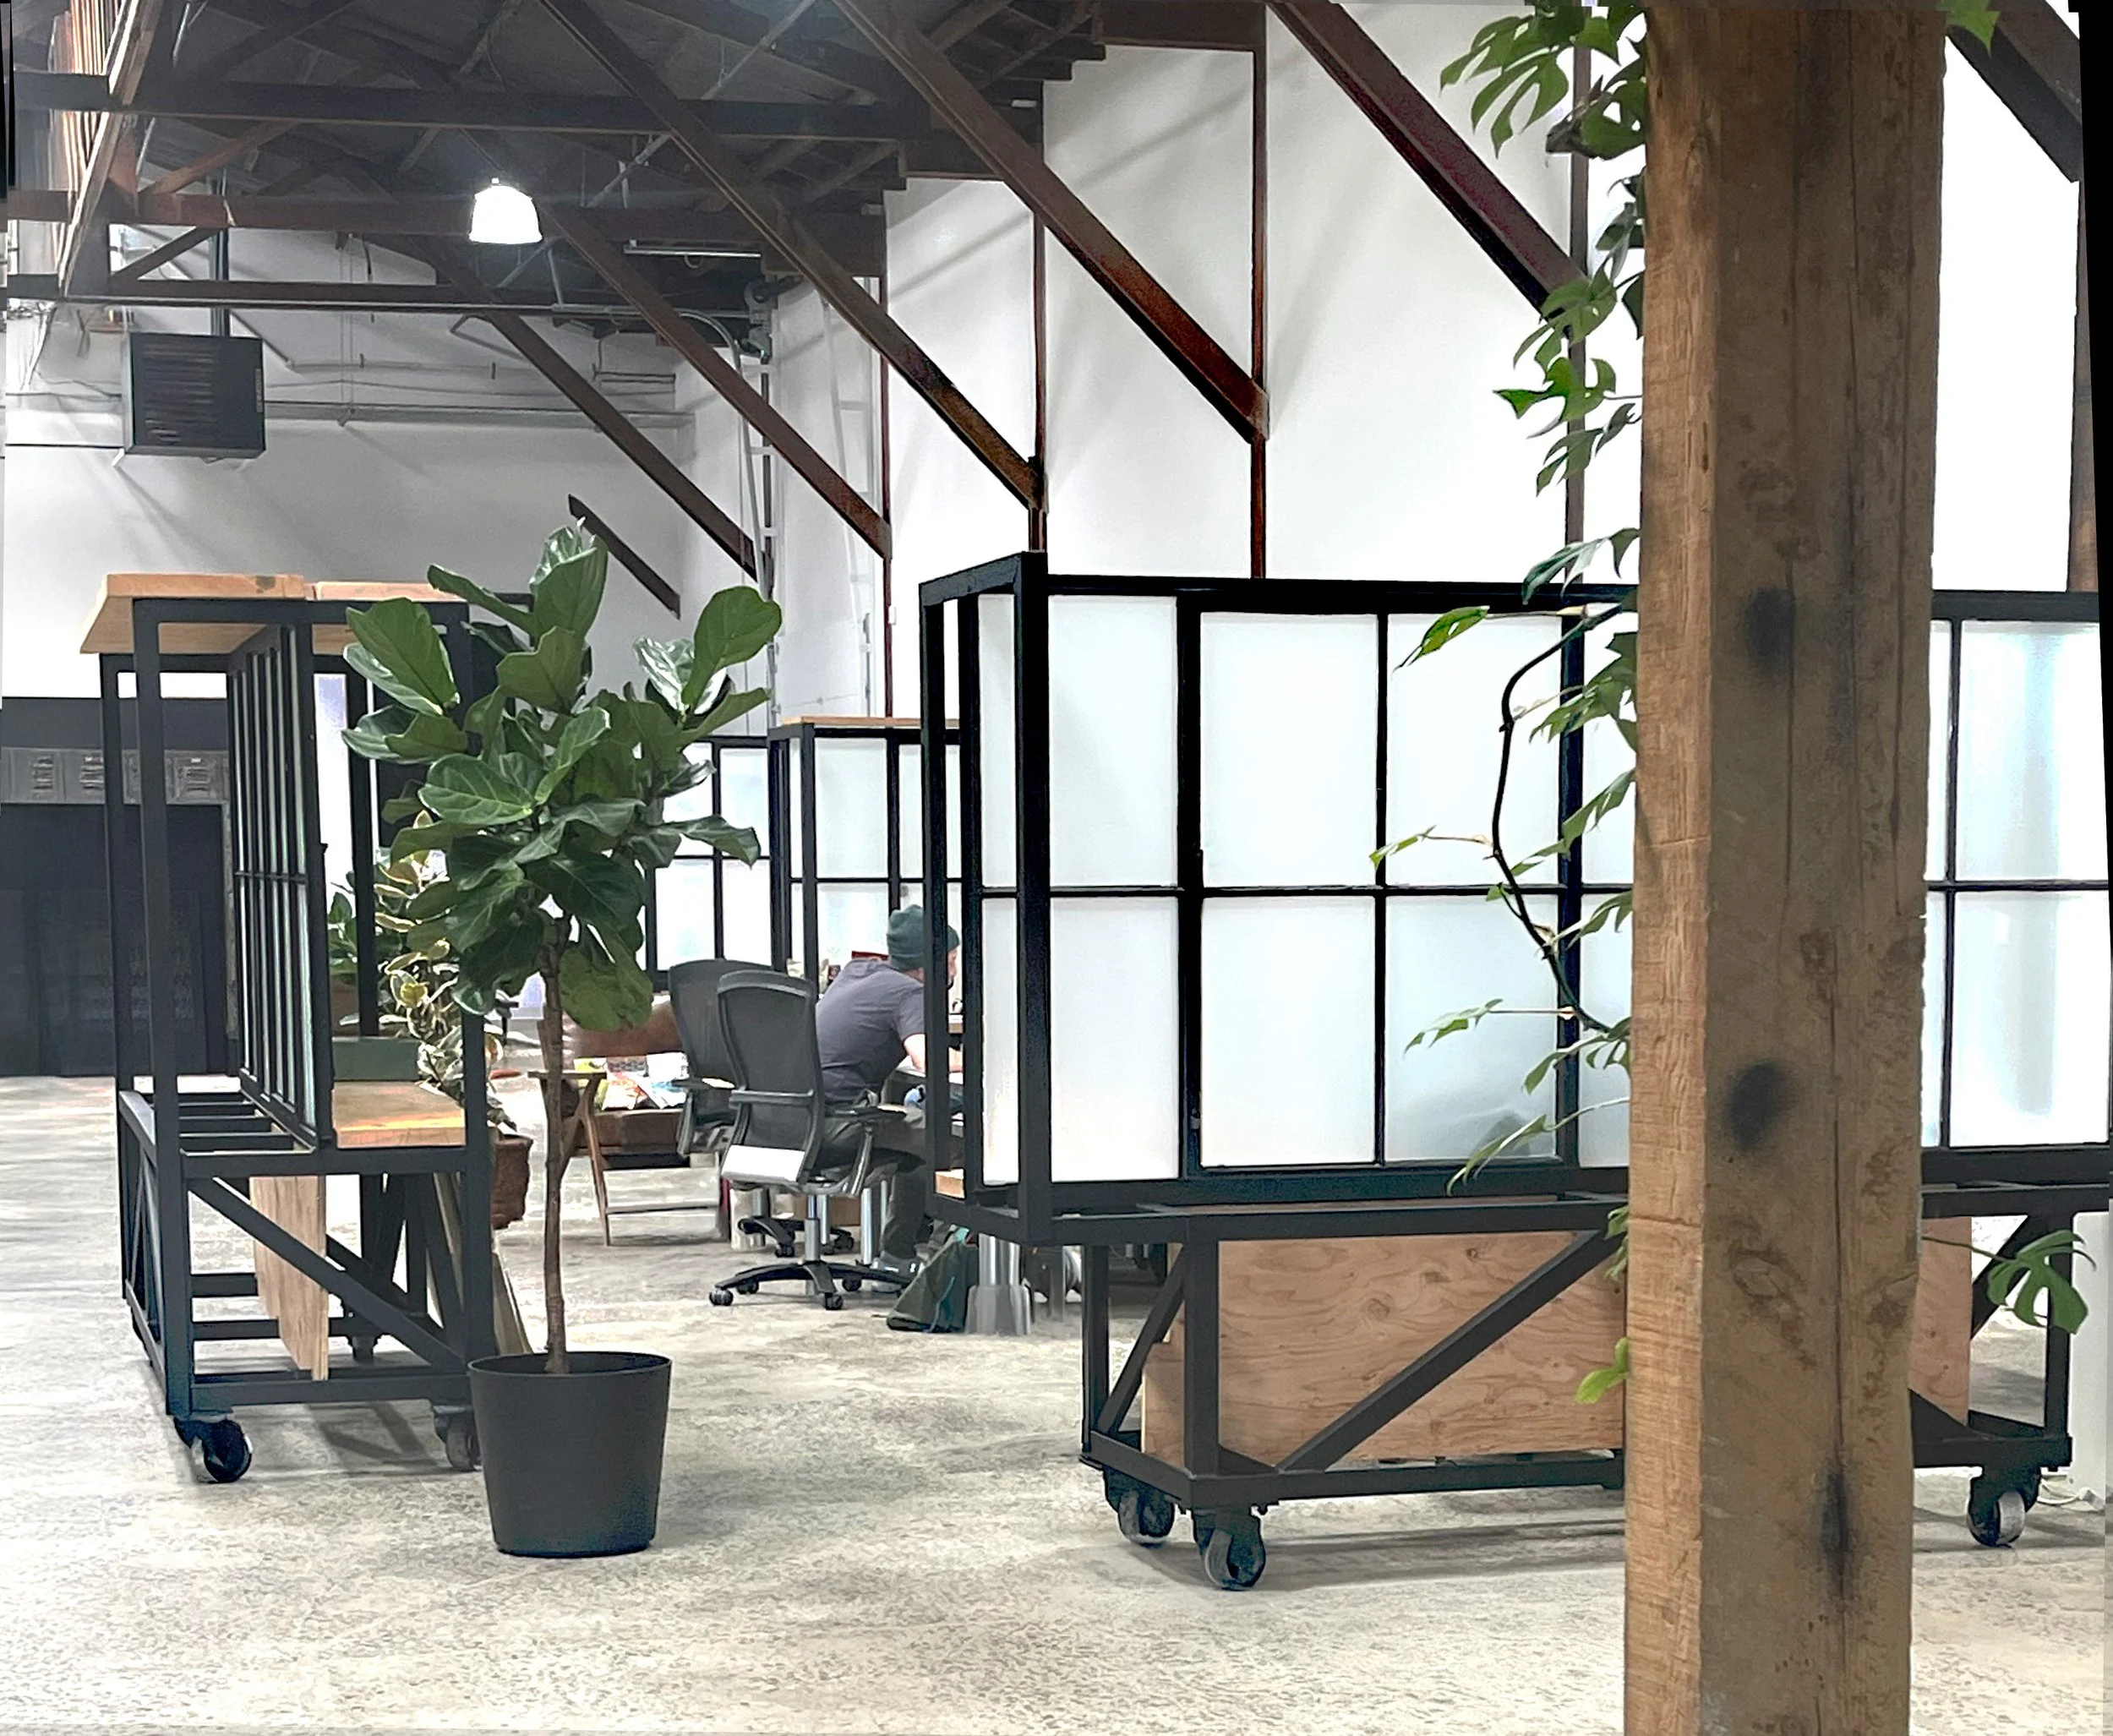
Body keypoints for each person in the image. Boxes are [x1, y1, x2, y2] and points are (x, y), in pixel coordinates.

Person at [812, 904, 960, 1272]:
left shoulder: (856, 972)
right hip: (840, 1124)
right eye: (953, 959)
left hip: (798, 1118)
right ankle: (944, 1266)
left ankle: (896, 1257)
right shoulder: (909, 992)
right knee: (962, 1142)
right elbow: (929, 1060)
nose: (956, 970)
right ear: (928, 966)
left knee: (919, 1132)